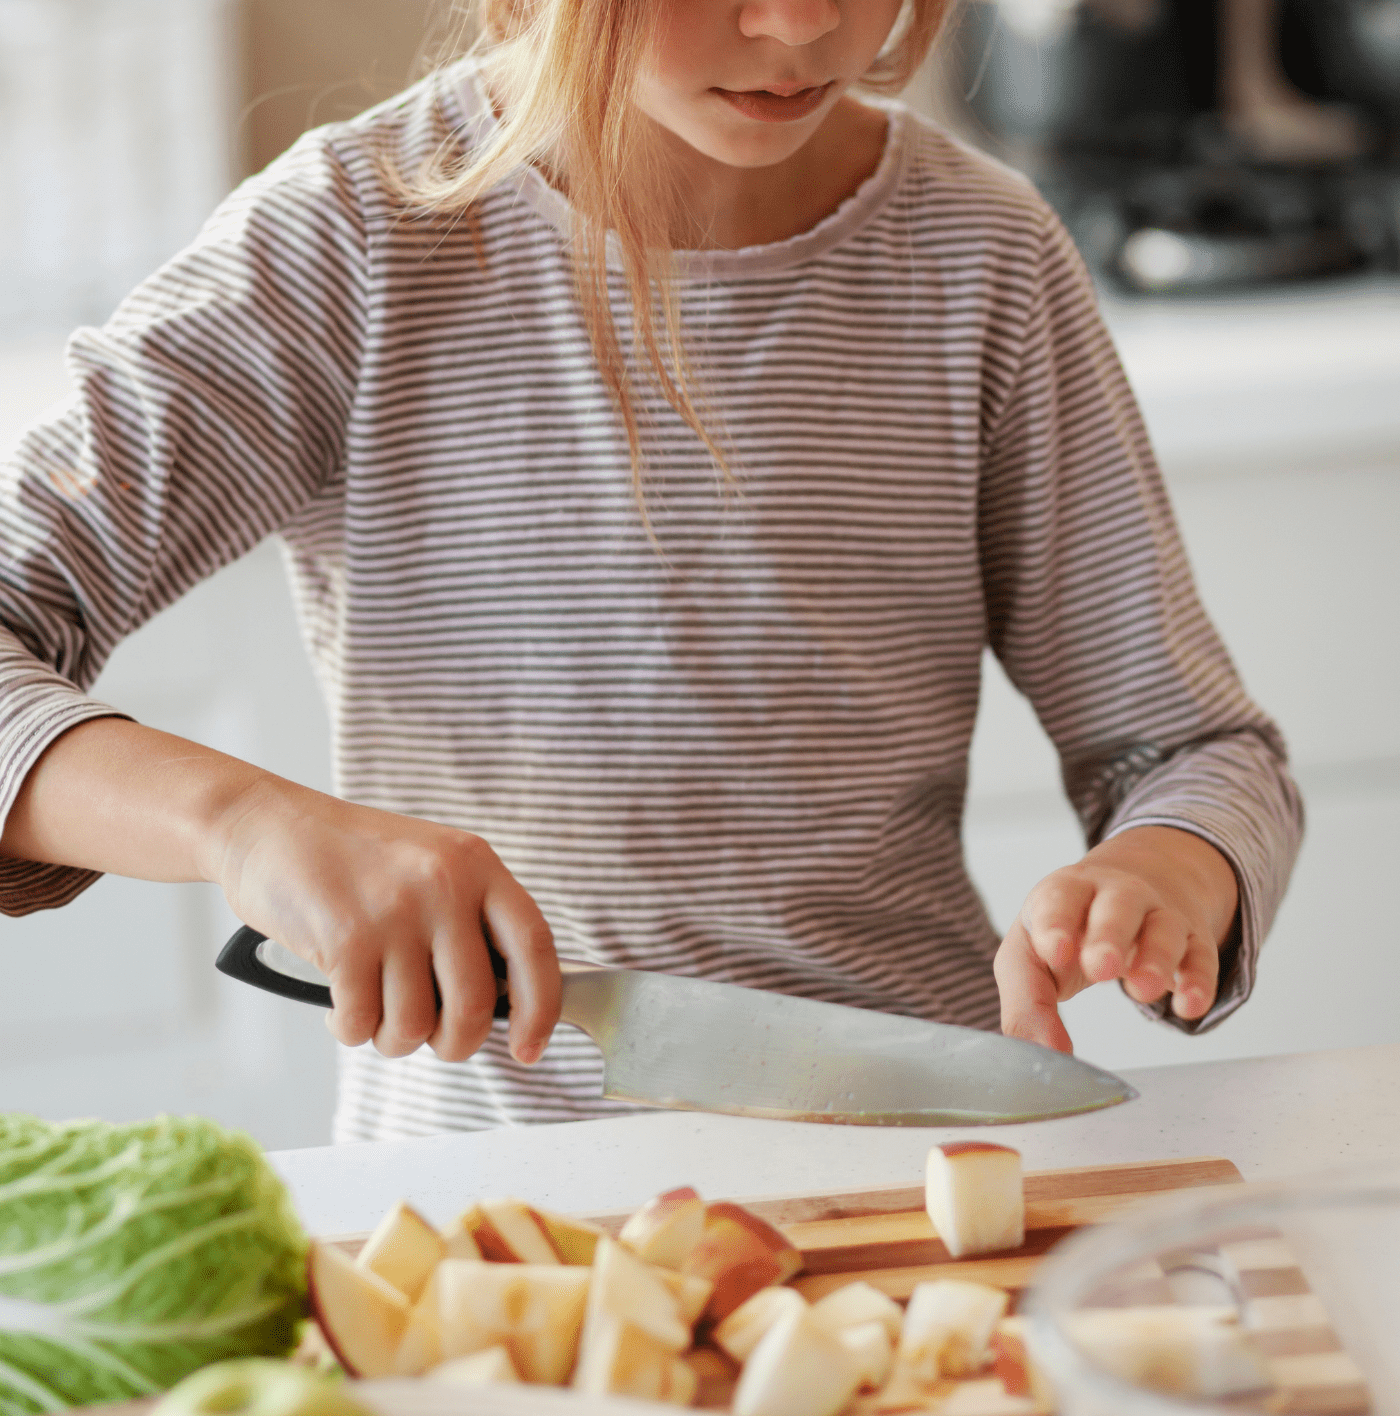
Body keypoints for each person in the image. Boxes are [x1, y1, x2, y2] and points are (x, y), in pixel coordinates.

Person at [0, 0, 1301, 1139]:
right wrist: (242, 826)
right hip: (491, 1210)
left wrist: (1169, 869)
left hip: (910, 1157)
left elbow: (1195, 749)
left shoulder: (985, 260)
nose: (801, 25)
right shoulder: (353, 242)